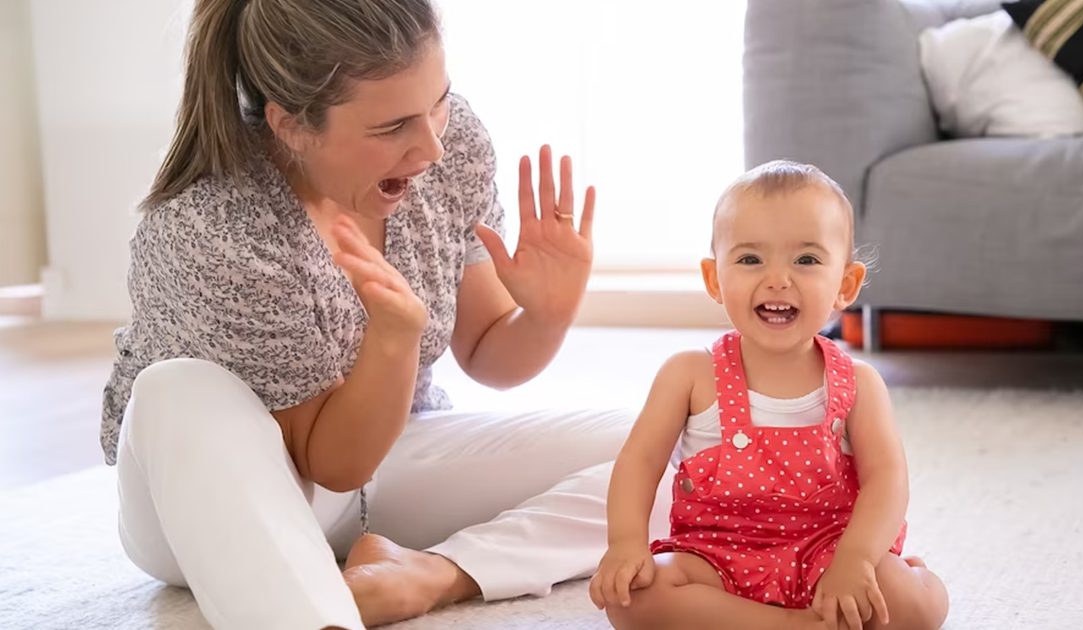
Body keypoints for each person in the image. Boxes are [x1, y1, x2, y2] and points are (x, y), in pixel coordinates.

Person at [101, 1, 670, 628]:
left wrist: (548, 314)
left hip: (389, 456)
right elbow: (333, 464)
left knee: (691, 447)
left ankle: (434, 575)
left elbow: (485, 349)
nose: (429, 145)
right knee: (177, 389)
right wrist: (393, 341)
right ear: (291, 125)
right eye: (393, 126)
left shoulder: (451, 146)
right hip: (211, 498)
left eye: (438, 103)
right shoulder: (213, 229)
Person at [589, 161, 950, 630]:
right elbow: (639, 463)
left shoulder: (858, 382)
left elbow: (887, 480)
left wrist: (857, 560)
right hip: (717, 559)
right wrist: (625, 544)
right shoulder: (689, 374)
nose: (778, 279)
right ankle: (799, 626)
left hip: (830, 555)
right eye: (750, 259)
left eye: (805, 260)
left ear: (846, 285)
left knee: (913, 606)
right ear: (715, 279)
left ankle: (899, 581)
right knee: (634, 600)